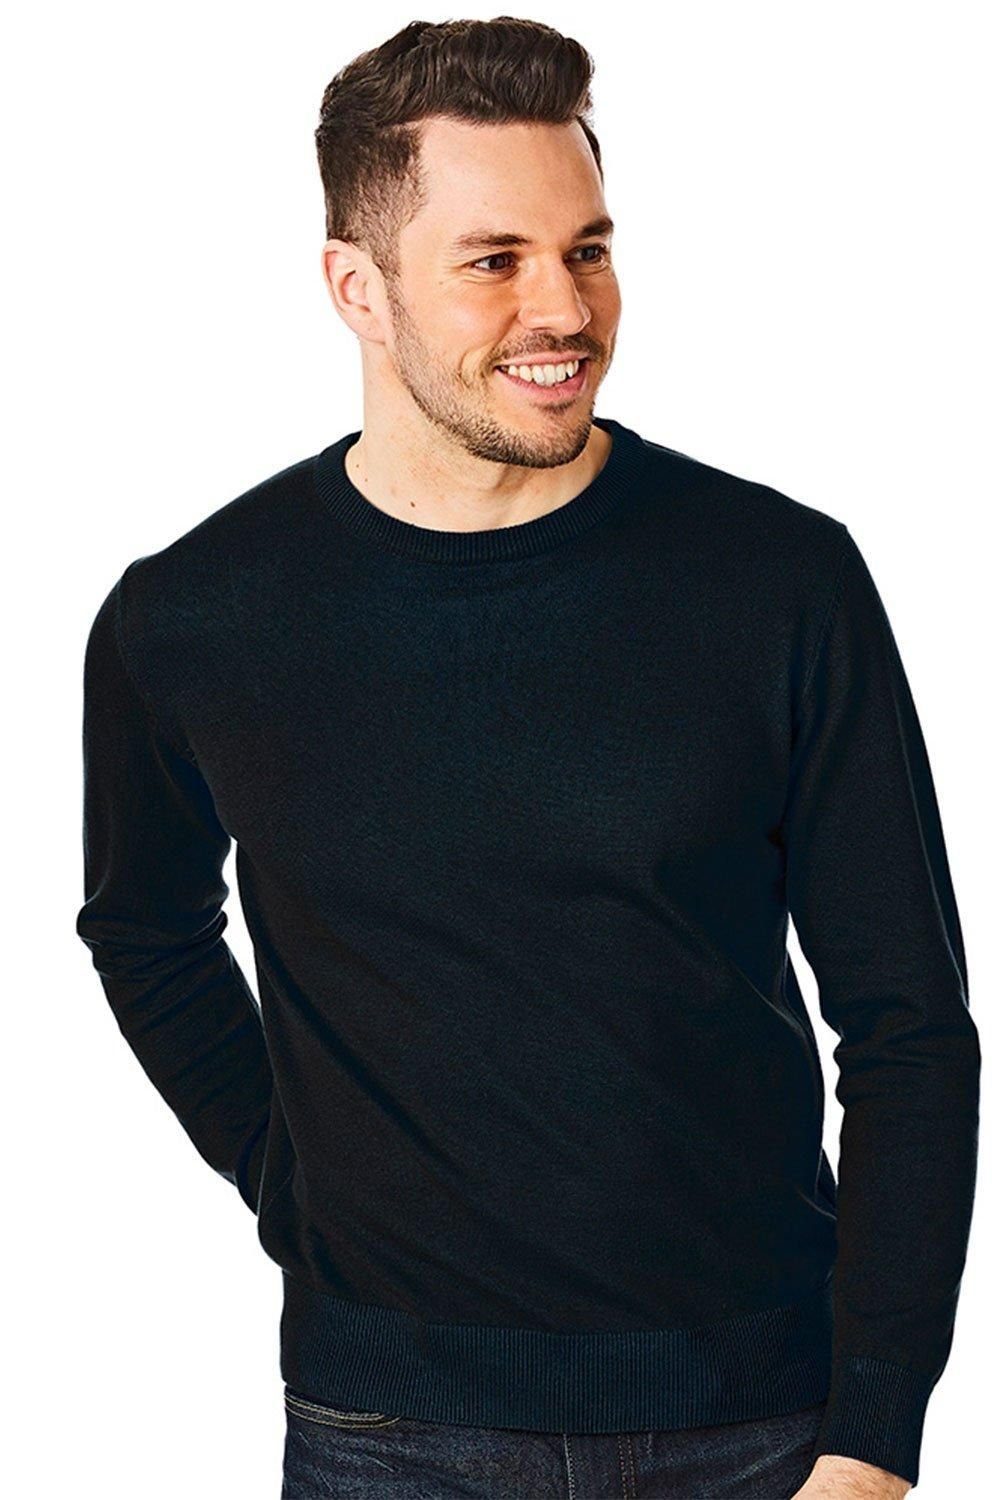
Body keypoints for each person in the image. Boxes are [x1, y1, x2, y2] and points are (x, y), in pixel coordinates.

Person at [75, 16, 980, 1499]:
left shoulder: (779, 580)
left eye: (589, 250)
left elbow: (908, 1024)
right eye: (494, 261)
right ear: (357, 288)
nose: (564, 309)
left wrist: (876, 1436)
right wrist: (288, 1180)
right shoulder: (192, 617)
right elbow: (144, 930)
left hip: (760, 1425)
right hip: (386, 1434)